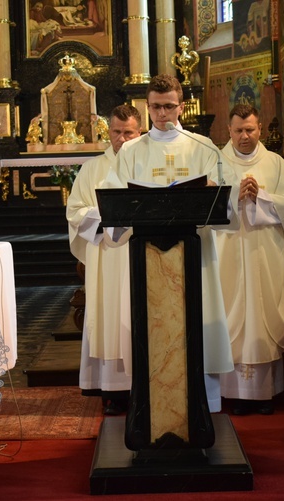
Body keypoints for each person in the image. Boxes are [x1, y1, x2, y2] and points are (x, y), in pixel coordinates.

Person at [114, 73, 238, 412]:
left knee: (197, 320)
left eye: (169, 106)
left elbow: (229, 197)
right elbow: (114, 201)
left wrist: (214, 191)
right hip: (147, 254)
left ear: (182, 106)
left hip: (194, 254)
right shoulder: (131, 150)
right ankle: (153, 406)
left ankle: (203, 406)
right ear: (147, 107)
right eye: (155, 107)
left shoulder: (203, 147)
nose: (162, 114)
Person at [216, 104, 284, 415]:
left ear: (260, 129)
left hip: (265, 255)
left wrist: (261, 198)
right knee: (231, 316)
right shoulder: (216, 164)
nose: (244, 136)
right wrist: (232, 197)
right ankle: (233, 393)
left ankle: (264, 393)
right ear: (228, 130)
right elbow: (203, 206)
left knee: (263, 315)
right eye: (238, 130)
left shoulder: (277, 164)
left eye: (250, 129)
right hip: (228, 255)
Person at [66, 104, 142, 415]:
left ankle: (145, 385)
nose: (122, 139)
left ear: (140, 133)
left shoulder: (148, 165)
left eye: (129, 133)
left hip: (139, 253)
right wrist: (107, 216)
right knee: (110, 316)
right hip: (107, 257)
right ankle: (112, 390)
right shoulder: (91, 169)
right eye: (116, 132)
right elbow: (75, 212)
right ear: (107, 132)